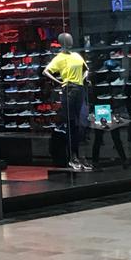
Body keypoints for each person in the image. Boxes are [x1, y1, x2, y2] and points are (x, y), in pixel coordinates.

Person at [45, 33, 90, 172]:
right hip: (69, 89)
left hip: (79, 89)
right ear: (62, 42)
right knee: (72, 125)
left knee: (81, 123)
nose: (70, 41)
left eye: (70, 39)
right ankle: (73, 157)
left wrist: (84, 79)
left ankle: (78, 156)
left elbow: (86, 70)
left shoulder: (76, 56)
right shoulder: (59, 58)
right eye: (67, 40)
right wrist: (60, 82)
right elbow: (46, 71)